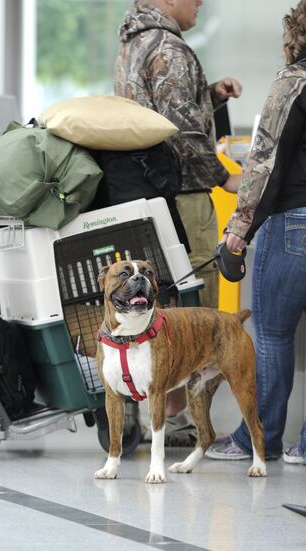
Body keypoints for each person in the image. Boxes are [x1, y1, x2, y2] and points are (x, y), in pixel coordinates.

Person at [114, 0, 242, 445]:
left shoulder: (133, 41)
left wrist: (211, 96)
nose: (201, 2)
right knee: (198, 315)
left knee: (162, 309)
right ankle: (185, 426)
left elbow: (162, 113)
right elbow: (183, 130)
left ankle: (163, 421)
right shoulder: (171, 48)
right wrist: (225, 176)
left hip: (148, 192)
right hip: (184, 193)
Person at [206, 0, 306, 462]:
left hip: (294, 222)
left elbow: (264, 165)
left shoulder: (294, 81)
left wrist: (237, 232)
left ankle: (256, 440)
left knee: (271, 334)